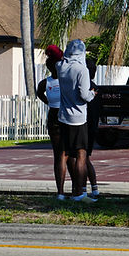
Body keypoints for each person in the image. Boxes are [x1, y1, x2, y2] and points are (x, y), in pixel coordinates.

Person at [57, 39, 97, 203]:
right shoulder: (82, 70)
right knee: (81, 154)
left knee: (65, 154)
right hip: (79, 118)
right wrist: (93, 93)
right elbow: (84, 95)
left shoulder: (60, 67)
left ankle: (62, 192)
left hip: (63, 116)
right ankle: (79, 193)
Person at [36, 45, 67, 201]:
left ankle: (60, 191)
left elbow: (39, 93)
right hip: (66, 115)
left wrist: (49, 101)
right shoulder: (66, 81)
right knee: (70, 154)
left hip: (53, 115)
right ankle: (77, 189)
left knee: (58, 154)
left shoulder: (45, 83)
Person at [84, 56, 100, 198]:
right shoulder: (95, 87)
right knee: (85, 158)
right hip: (92, 127)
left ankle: (83, 188)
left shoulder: (86, 88)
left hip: (84, 126)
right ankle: (93, 187)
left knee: (81, 159)